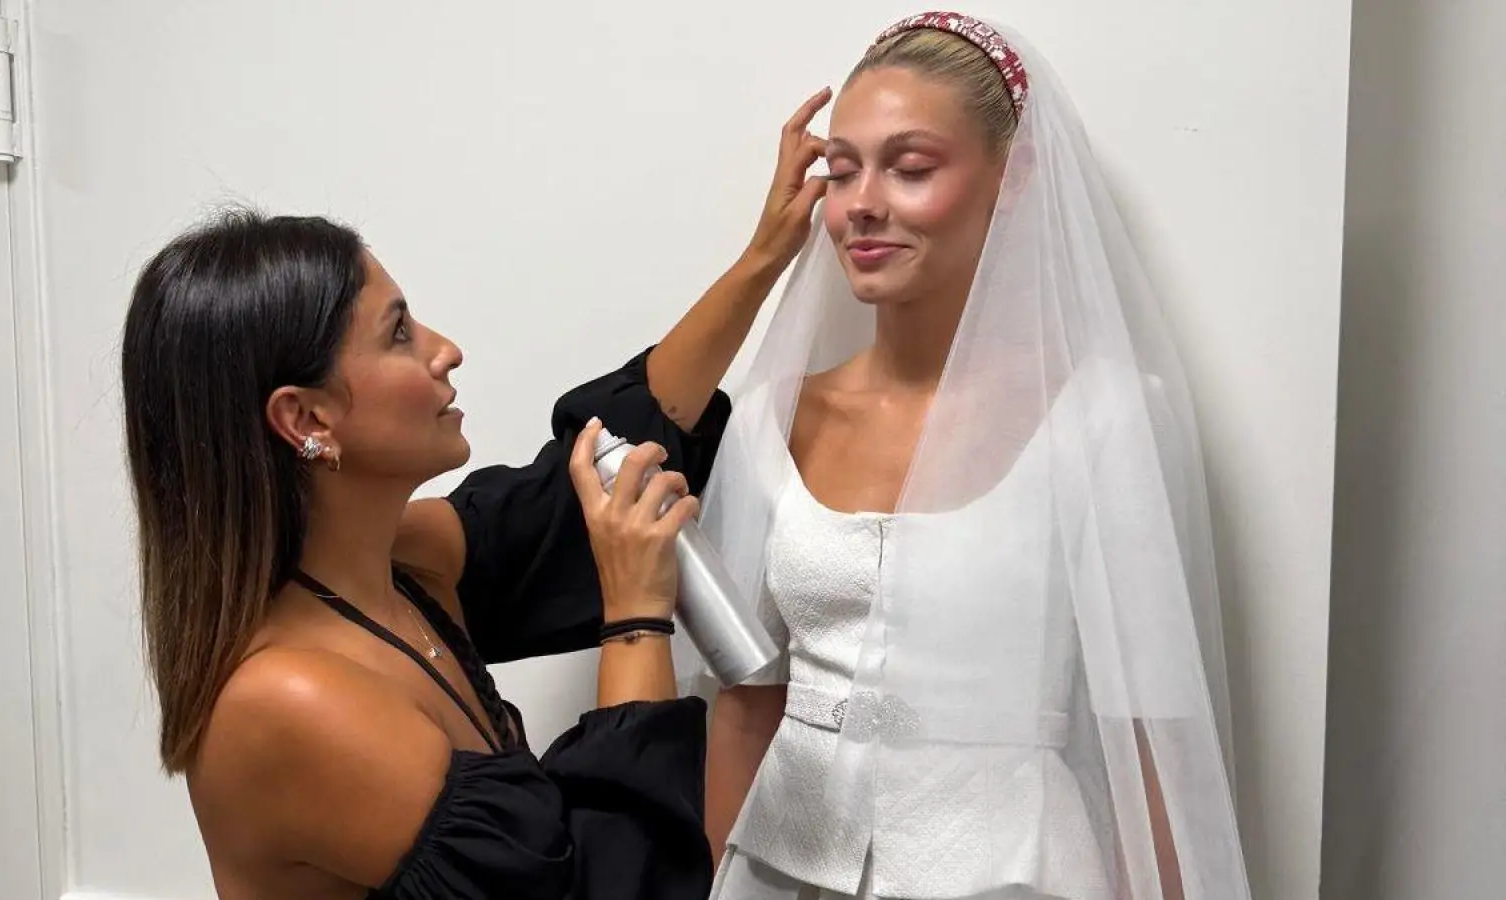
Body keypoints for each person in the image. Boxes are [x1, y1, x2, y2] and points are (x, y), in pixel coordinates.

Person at [117, 90, 831, 900]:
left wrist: (763, 260)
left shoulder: (399, 571)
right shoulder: (291, 701)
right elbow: (606, 887)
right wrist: (638, 617)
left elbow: (565, 498)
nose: (444, 350)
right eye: (397, 333)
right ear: (307, 418)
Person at [692, 12, 1253, 900]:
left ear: (1014, 176)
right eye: (842, 171)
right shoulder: (771, 418)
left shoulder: (1097, 416)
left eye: (910, 168)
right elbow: (745, 704)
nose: (863, 204)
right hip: (777, 873)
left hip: (1010, 874)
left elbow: (1152, 738)